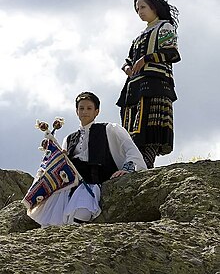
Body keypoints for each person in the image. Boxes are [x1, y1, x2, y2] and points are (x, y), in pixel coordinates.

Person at [27, 92, 147, 227]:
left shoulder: (109, 129)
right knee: (53, 222)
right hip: (71, 185)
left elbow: (130, 149)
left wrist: (127, 169)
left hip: (94, 182)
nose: (85, 112)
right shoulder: (69, 138)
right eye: (81, 108)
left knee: (81, 214)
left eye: (89, 108)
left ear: (97, 111)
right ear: (77, 111)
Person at [116, 0, 181, 169]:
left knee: (150, 128)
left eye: (143, 7)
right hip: (134, 87)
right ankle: (134, 163)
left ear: (154, 7)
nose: (140, 12)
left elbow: (172, 53)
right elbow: (128, 59)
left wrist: (146, 59)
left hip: (156, 83)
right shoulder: (138, 37)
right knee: (132, 128)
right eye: (137, 9)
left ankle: (145, 164)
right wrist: (127, 68)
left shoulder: (164, 27)